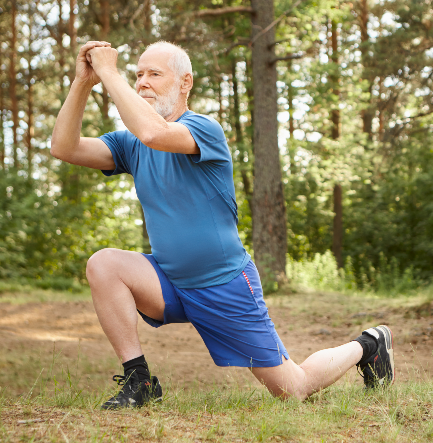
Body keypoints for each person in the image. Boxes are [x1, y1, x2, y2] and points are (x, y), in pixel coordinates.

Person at [50, 40, 395, 409]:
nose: (142, 82)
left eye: (154, 74)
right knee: (103, 263)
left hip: (224, 285)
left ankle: (369, 345)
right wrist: (83, 81)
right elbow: (64, 148)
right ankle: (140, 381)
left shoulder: (202, 128)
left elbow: (155, 133)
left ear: (185, 83)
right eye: (137, 75)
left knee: (293, 388)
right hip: (168, 280)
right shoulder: (130, 144)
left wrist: (110, 72)